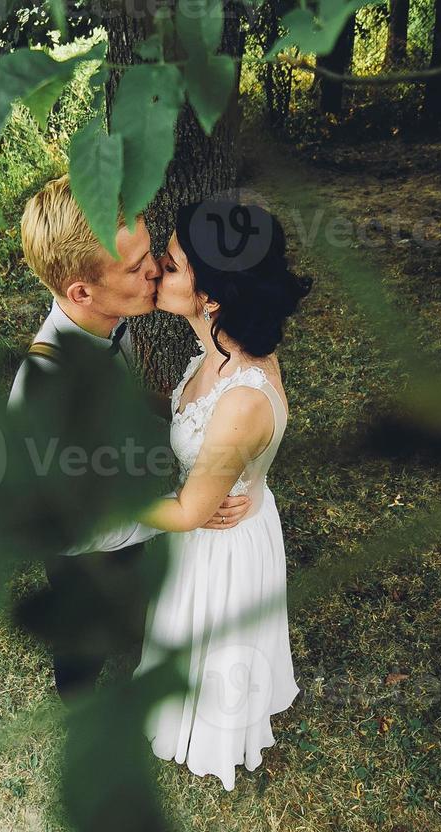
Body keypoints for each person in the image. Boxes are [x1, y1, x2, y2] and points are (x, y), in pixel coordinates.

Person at [8, 176, 251, 704]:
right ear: (81, 292)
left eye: (151, 253)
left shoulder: (109, 322)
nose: (156, 271)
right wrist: (187, 509)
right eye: (135, 267)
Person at [131, 200, 313, 791]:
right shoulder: (221, 347)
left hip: (219, 538)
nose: (158, 267)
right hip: (223, 516)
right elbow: (190, 415)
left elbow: (189, 512)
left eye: (175, 263)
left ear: (210, 296)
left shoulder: (243, 398)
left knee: (215, 653)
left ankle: (212, 731)